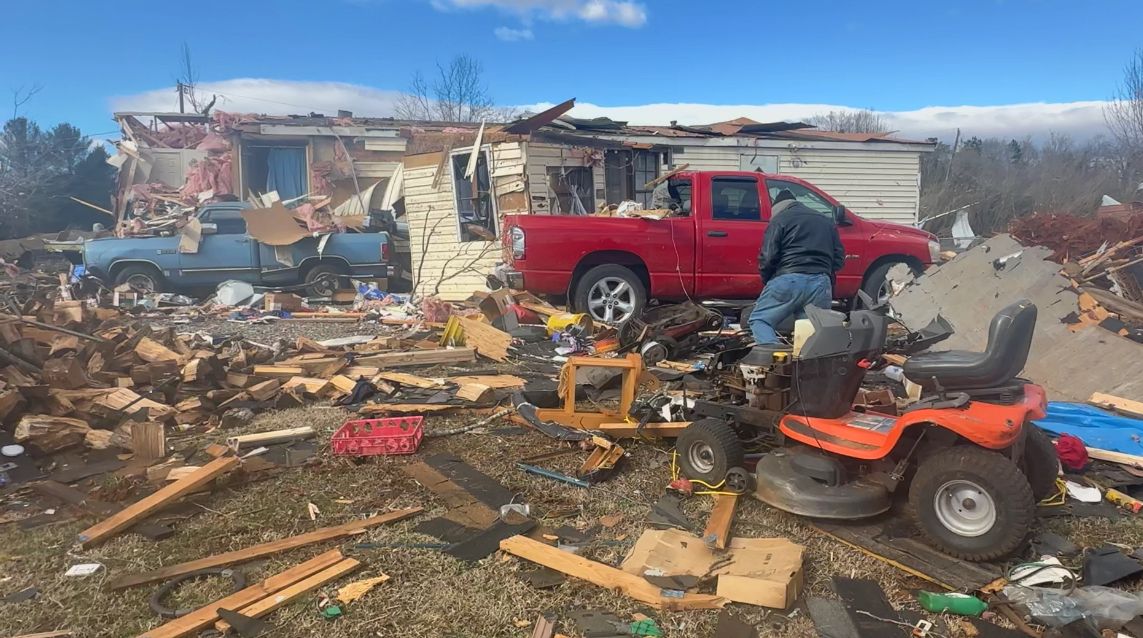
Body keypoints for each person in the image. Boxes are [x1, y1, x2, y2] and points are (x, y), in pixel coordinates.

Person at [747, 189, 846, 345]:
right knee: (810, 330)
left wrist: (769, 280)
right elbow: (839, 258)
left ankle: (776, 356)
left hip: (788, 278)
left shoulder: (779, 220)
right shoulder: (825, 221)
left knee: (760, 321)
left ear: (776, 208)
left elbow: (768, 257)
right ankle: (805, 365)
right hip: (821, 282)